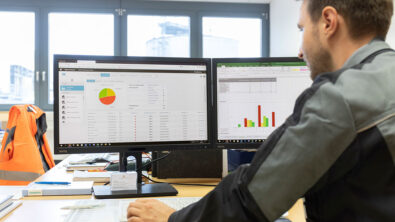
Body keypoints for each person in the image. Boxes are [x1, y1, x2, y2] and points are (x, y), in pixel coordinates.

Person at [127, 0, 395, 221]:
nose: (300, 50)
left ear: (328, 22)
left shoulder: (341, 97)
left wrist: (173, 219)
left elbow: (251, 198)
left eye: (302, 28)